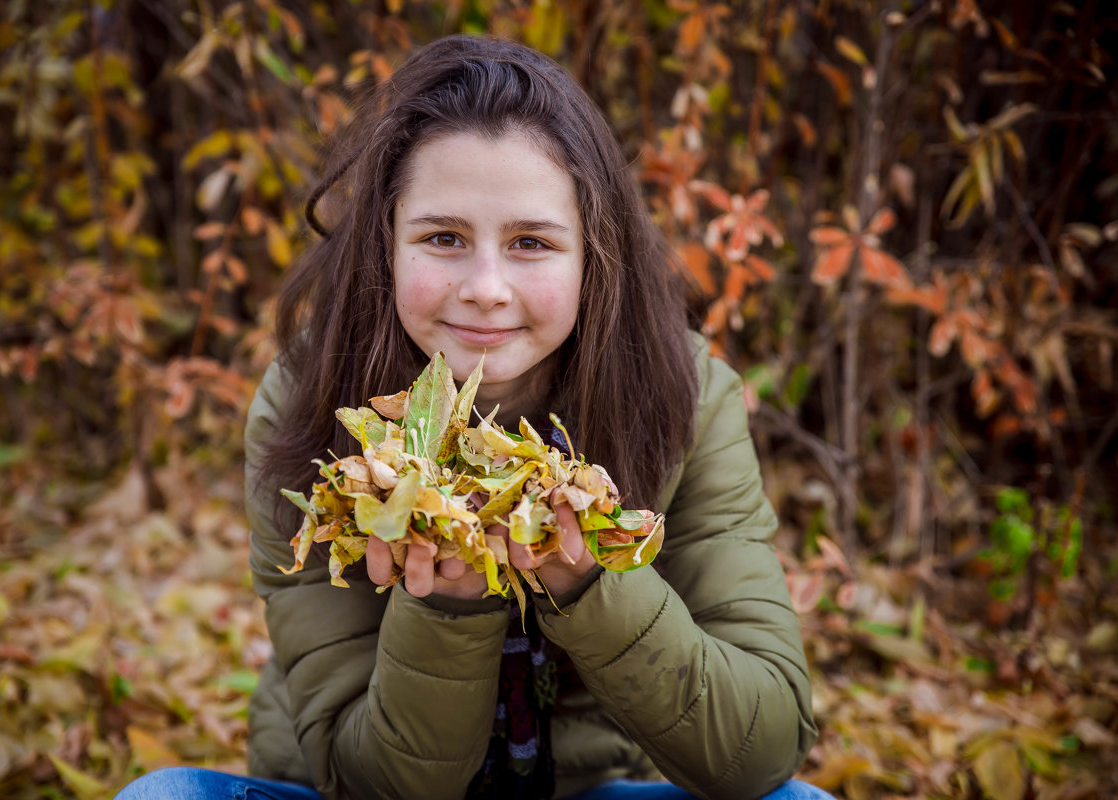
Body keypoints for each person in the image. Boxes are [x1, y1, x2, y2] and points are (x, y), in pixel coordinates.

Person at [117, 34, 831, 800]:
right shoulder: (310, 401)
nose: (486, 287)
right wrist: (445, 605)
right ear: (384, 245)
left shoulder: (684, 393)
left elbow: (762, 749)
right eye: (444, 238)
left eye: (531, 243)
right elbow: (367, 779)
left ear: (594, 255)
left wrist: (591, 585)